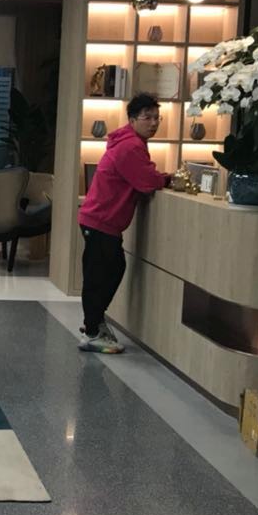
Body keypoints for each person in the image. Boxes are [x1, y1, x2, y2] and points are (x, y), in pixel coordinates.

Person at [76, 91, 166, 353]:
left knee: (111, 269)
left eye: (157, 118)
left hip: (102, 220)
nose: (153, 123)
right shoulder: (131, 146)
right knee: (100, 275)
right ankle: (92, 332)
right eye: (147, 117)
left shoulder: (131, 142)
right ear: (132, 120)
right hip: (101, 220)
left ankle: (94, 322)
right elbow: (147, 181)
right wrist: (167, 178)